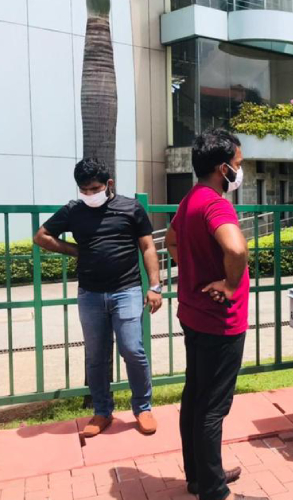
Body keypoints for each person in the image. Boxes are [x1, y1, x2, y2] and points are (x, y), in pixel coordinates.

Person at [165, 129, 264, 500]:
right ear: (223, 168)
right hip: (219, 321)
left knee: (195, 396)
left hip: (192, 314)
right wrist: (227, 282)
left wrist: (195, 269)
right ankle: (213, 489)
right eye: (238, 165)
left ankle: (199, 475)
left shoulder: (190, 200)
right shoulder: (215, 204)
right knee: (212, 407)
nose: (240, 172)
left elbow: (172, 242)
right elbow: (237, 250)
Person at [33, 159, 161, 437]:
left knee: (132, 350)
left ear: (109, 185)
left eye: (94, 189)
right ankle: (102, 412)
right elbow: (41, 236)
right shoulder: (74, 210)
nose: (89, 194)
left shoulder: (131, 208)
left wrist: (155, 286)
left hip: (126, 290)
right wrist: (75, 250)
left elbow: (148, 246)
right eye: (84, 190)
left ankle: (143, 407)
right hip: (90, 294)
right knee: (96, 356)